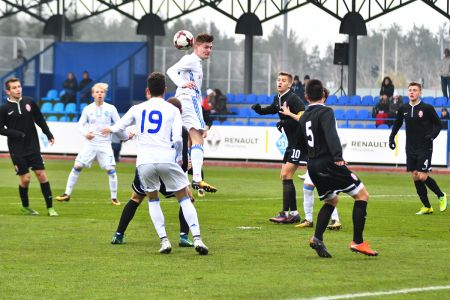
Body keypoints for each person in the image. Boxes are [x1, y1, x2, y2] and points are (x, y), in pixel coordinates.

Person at [104, 72, 209, 255]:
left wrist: (125, 137)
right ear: (165, 90)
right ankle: (197, 238)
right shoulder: (173, 110)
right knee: (184, 198)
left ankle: (164, 241)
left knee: (152, 199)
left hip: (144, 161)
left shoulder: (138, 108)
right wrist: (179, 159)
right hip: (166, 158)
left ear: (147, 90)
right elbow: (177, 139)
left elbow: (117, 130)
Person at [296, 78, 378, 258]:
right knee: (362, 195)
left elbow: (300, 143)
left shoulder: (303, 117)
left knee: (331, 201)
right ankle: (358, 242)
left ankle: (317, 238)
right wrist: (338, 157)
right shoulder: (326, 112)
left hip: (313, 166)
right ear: (323, 95)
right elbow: (331, 134)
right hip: (329, 163)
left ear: (306, 96)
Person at [110, 96, 196, 248]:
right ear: (180, 111)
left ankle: (118, 234)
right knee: (186, 198)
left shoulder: (145, 113)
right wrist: (184, 178)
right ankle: (184, 236)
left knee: (136, 198)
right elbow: (181, 155)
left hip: (146, 164)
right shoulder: (180, 129)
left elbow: (122, 129)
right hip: (167, 164)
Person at [280, 88, 342, 230]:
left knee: (326, 190)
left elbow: (332, 136)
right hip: (315, 158)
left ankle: (335, 220)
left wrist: (336, 157)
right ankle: (309, 219)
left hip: (325, 158)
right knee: (309, 188)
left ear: (324, 98)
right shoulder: (312, 112)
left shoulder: (326, 113)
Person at [55, 83, 127, 205]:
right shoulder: (88, 109)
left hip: (105, 144)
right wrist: (85, 133)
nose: (100, 94)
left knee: (111, 169)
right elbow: (80, 125)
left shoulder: (111, 109)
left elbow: (119, 125)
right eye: (97, 92)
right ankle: (67, 194)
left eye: (102, 92)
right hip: (90, 143)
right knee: (77, 166)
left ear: (105, 94)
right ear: (93, 94)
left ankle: (114, 198)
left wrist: (114, 130)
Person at [252, 71, 305, 224]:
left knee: (286, 175)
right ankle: (292, 213)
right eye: (278, 80)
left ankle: (289, 213)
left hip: (299, 142)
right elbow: (272, 109)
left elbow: (304, 117)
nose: (279, 82)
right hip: (291, 142)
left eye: (283, 80)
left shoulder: (294, 99)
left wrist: (287, 118)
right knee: (284, 176)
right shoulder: (278, 98)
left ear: (290, 84)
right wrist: (259, 110)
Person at [166, 33, 217, 194]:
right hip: (189, 100)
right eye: (205, 47)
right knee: (198, 138)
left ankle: (183, 178)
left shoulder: (196, 62)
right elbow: (170, 71)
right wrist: (183, 84)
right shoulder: (191, 59)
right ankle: (196, 178)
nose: (208, 50)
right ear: (196, 47)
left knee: (188, 141)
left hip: (186, 101)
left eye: (210, 47)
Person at [0, 77, 58, 216]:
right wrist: (16, 134)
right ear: (8, 91)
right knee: (25, 179)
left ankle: (50, 208)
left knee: (41, 175)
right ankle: (25, 207)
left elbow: (39, 119)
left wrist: (48, 133)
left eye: (19, 86)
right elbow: (1, 129)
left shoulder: (29, 102)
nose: (18, 89)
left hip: (33, 146)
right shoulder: (4, 109)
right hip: (16, 149)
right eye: (14, 88)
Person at [389, 81, 447, 214]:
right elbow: (397, 124)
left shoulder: (427, 108)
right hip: (410, 147)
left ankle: (441, 195)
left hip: (424, 146)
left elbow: (438, 125)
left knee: (422, 175)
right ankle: (427, 206)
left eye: (415, 90)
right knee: (415, 176)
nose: (412, 92)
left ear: (420, 92)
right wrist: (391, 138)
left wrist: (432, 136)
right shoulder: (403, 108)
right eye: (410, 90)